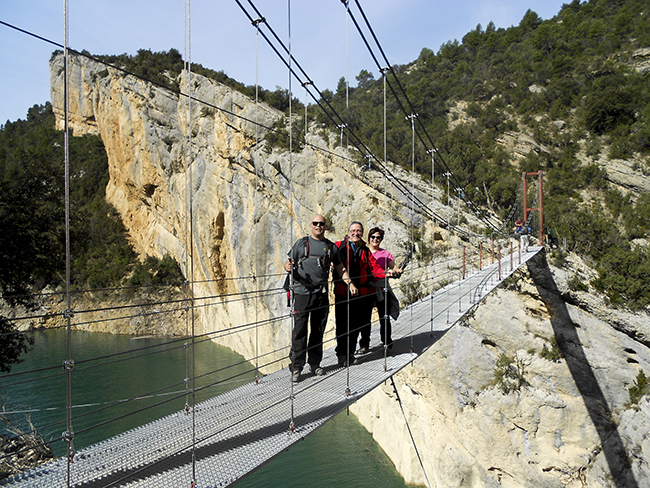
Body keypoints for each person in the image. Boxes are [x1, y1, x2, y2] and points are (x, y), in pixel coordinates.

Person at [284, 214, 356, 382]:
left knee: (317, 330)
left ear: (325, 226)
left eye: (321, 224)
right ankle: (296, 367)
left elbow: (340, 269)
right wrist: (287, 266)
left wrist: (350, 283)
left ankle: (315, 364)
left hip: (321, 295)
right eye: (315, 223)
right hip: (302, 294)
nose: (318, 226)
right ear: (311, 225)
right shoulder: (301, 244)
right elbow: (288, 263)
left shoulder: (331, 248)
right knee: (299, 330)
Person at [332, 221, 386, 366]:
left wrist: (387, 273)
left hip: (360, 293)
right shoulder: (339, 246)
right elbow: (328, 261)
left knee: (355, 325)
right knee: (343, 325)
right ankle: (341, 354)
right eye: (353, 231)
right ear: (348, 232)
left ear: (362, 233)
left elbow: (374, 267)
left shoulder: (365, 249)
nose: (356, 233)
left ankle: (349, 354)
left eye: (359, 231)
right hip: (343, 291)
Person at [367, 227, 402, 352]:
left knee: (384, 316)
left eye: (378, 237)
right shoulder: (364, 252)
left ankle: (387, 341)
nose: (375, 239)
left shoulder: (386, 254)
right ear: (369, 238)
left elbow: (393, 266)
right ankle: (364, 344)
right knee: (365, 318)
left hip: (382, 288)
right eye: (373, 237)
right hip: (368, 288)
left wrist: (397, 271)